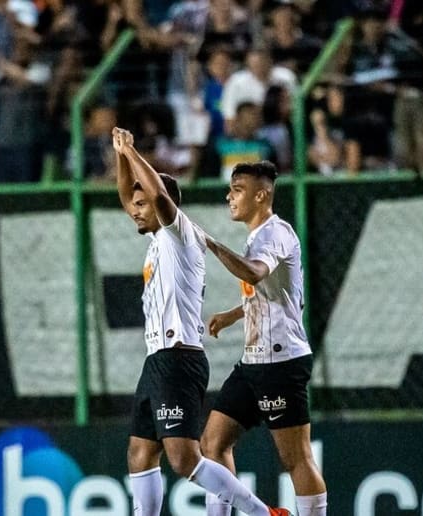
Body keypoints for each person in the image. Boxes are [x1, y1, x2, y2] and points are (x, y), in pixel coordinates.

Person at [112, 129, 291, 516]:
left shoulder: (180, 234)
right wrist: (121, 158)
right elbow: (132, 195)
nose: (135, 209)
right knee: (140, 453)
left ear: (165, 206)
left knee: (183, 459)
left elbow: (156, 195)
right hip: (157, 360)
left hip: (178, 360)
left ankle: (262, 513)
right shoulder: (157, 239)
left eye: (143, 204)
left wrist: (132, 150)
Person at [201, 160, 327, 516]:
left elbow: (256, 274)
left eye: (237, 190)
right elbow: (277, 293)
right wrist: (233, 314)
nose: (229, 196)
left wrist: (212, 244)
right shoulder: (257, 236)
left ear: (262, 195)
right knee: (213, 442)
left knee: (296, 458)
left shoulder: (276, 233)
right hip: (254, 360)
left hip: (281, 360)